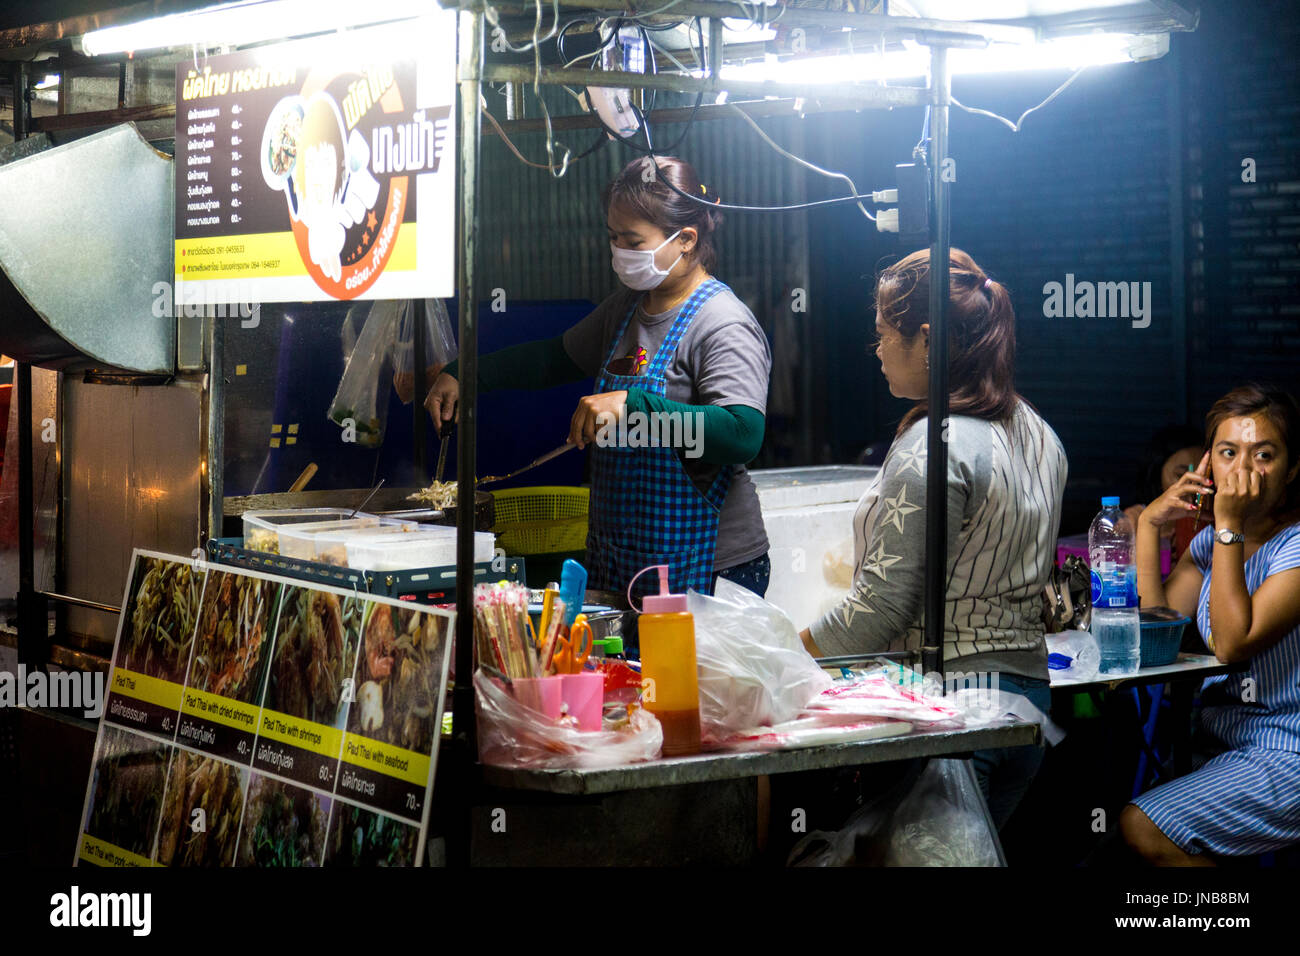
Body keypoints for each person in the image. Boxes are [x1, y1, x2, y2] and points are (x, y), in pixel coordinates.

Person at [798, 248, 1068, 830]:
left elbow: (881, 608)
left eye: (881, 335)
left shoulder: (935, 446)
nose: (876, 352)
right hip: (1025, 707)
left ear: (926, 338)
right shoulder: (1041, 433)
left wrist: (781, 659)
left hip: (953, 715)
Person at [425, 156, 772, 599]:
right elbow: (552, 359)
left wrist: (636, 405)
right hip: (629, 558)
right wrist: (464, 374)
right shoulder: (627, 307)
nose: (619, 250)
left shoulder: (722, 322)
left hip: (712, 569)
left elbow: (742, 434)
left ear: (685, 239)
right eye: (613, 237)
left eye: (632, 240)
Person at [1122, 384, 1300, 865]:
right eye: (1228, 453)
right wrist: (1148, 529)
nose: (1243, 470)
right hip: (1221, 740)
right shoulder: (1208, 548)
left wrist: (1226, 522)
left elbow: (1233, 643)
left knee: (1142, 827)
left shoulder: (1295, 547)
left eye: (1264, 454)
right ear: (1209, 465)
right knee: (1107, 837)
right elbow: (1157, 634)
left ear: (1293, 469)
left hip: (1286, 750)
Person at [1122, 424, 1205, 566]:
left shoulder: (1210, 522)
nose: (1193, 486)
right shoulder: (1136, 519)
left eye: (1202, 477)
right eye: (1180, 475)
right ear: (1156, 473)